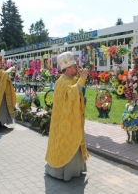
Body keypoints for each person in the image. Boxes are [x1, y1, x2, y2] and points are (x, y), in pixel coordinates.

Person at [45, 51, 89, 181]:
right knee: (68, 142)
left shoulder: (66, 80)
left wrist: (81, 79)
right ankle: (63, 172)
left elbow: (75, 90)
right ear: (69, 69)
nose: (77, 68)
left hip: (66, 118)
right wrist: (83, 78)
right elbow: (73, 92)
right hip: (66, 120)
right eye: (75, 66)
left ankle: (75, 169)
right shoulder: (64, 81)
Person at [0, 54, 16, 132]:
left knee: (5, 109)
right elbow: (5, 74)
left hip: (4, 93)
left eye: (1, 63)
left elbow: (5, 77)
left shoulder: (0, 71)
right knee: (0, 109)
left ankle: (2, 124)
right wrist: (10, 69)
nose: (1, 64)